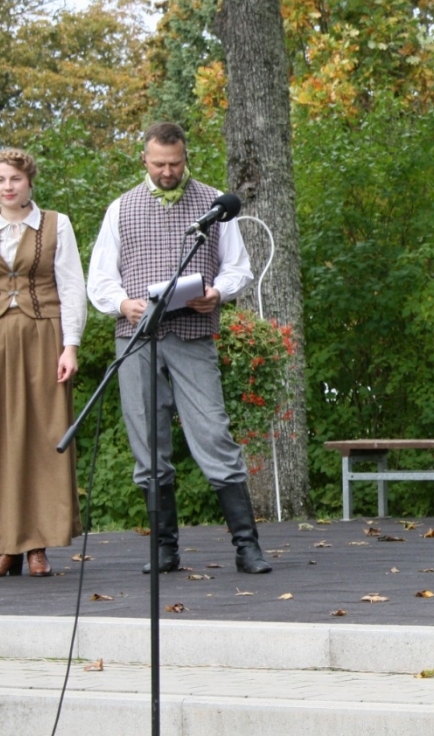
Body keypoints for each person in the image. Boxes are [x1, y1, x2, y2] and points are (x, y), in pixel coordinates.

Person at [87, 122, 271, 575]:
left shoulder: (214, 203)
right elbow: (100, 279)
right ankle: (164, 549)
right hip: (136, 339)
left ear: (186, 157)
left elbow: (238, 268)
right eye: (159, 163)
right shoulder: (121, 208)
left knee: (213, 433)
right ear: (144, 160)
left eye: (175, 163)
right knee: (148, 441)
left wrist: (218, 293)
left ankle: (247, 546)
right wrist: (122, 303)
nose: (168, 171)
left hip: (192, 335)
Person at [0, 149, 87, 578]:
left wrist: (71, 345)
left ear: (29, 182)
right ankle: (4, 546)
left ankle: (38, 546)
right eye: (0, 180)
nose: (8, 187)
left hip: (44, 340)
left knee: (44, 439)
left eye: (15, 180)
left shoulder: (55, 224)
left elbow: (72, 286)